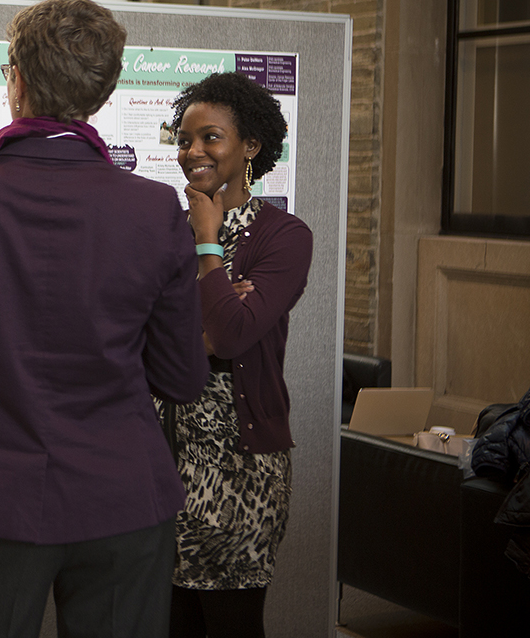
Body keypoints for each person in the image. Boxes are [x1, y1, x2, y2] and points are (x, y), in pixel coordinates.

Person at [0, 0, 209, 638]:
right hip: (123, 494)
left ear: (16, 81)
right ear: (105, 92)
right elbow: (181, 379)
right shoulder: (155, 209)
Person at [166, 72, 313, 638]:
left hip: (241, 469)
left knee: (230, 624)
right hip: (161, 459)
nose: (194, 151)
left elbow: (228, 339)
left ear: (250, 146)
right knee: (167, 621)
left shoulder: (283, 236)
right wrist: (217, 307)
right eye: (184, 138)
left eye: (211, 137)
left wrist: (207, 244)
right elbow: (134, 335)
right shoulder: (161, 230)